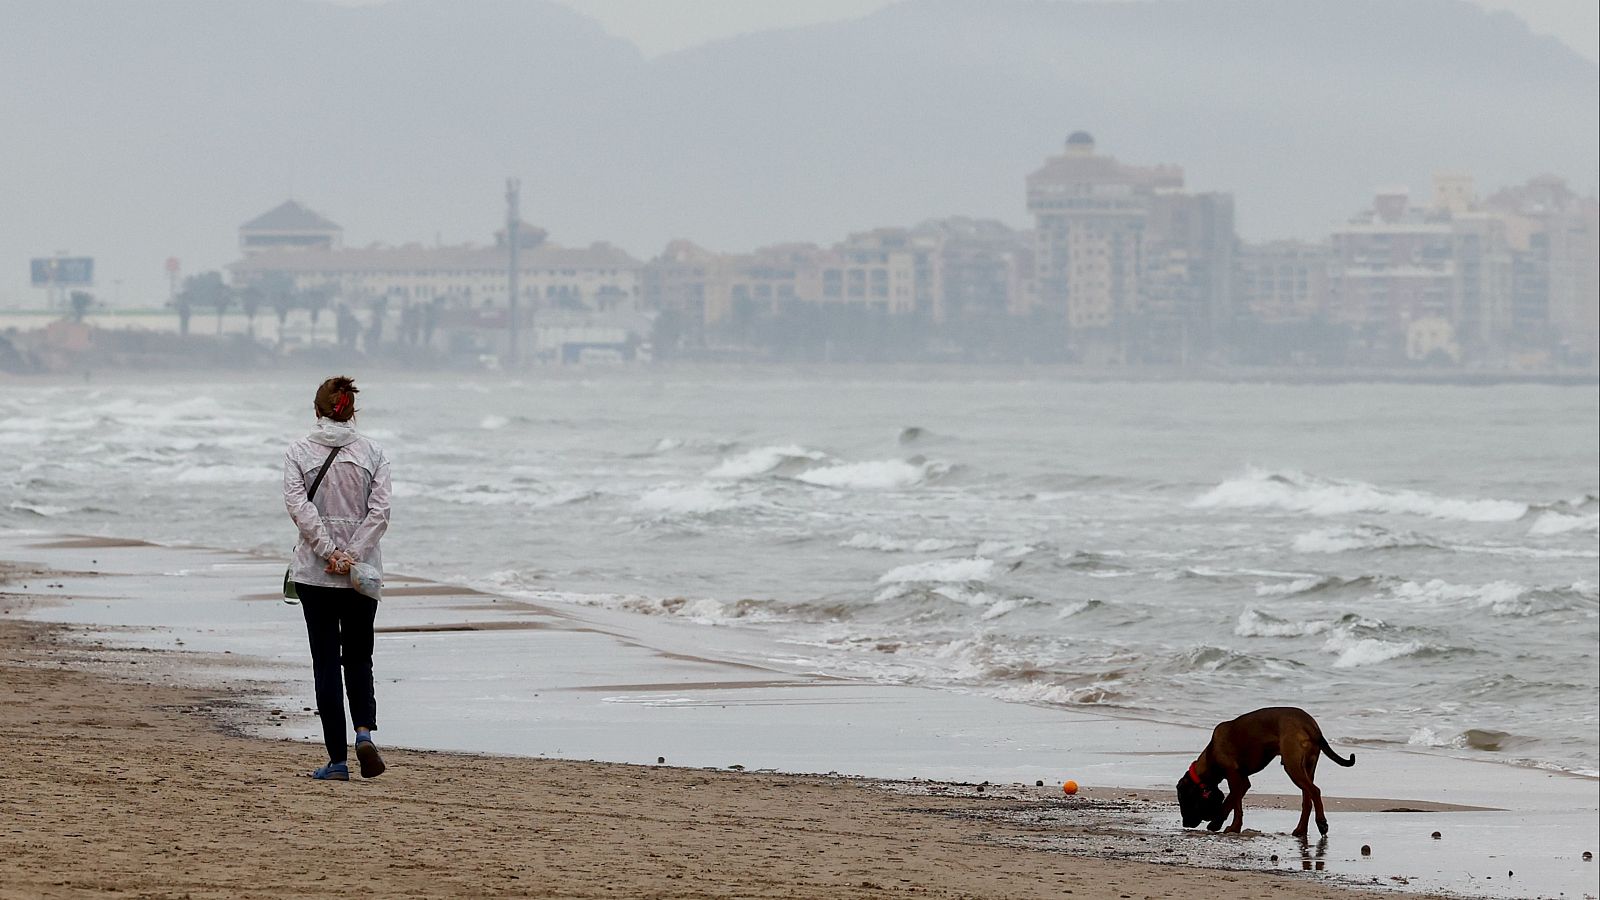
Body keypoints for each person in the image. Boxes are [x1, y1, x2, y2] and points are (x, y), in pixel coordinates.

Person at [283, 376, 392, 780]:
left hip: (316, 574)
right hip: (362, 576)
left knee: (326, 662)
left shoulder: (298, 451)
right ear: (351, 411)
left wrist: (329, 552)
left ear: (317, 410)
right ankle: (364, 732)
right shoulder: (374, 452)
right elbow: (380, 513)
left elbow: (299, 508)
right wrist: (352, 555)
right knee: (360, 657)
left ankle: (338, 760)